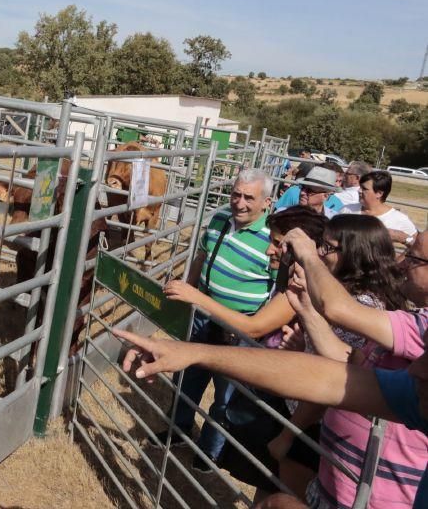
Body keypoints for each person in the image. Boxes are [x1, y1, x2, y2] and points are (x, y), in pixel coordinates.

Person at [113, 230, 428, 506]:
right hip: (331, 488)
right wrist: (193, 351)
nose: (400, 265)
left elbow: (334, 319)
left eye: (413, 259)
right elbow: (335, 374)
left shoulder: (375, 309)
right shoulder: (414, 352)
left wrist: (307, 254)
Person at [270, 216, 423, 506]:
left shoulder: (364, 306)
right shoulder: (389, 314)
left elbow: (337, 375)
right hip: (334, 459)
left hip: (323, 437)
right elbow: (348, 360)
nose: (401, 264)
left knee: (281, 498)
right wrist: (306, 310)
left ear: (355, 253)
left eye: (328, 247)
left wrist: (289, 433)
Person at [155, 169, 275, 472]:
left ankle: (210, 451)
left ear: (267, 202)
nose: (240, 202)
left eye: (249, 197)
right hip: (202, 318)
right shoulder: (220, 218)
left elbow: (277, 290)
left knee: (226, 395)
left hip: (239, 328)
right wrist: (188, 291)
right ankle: (179, 428)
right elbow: (202, 257)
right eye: (236, 194)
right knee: (186, 378)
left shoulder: (273, 239)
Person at [163, 206, 327, 343]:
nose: (268, 250)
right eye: (270, 241)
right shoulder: (291, 277)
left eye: (278, 244)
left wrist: (196, 297)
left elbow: (253, 328)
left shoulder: (301, 288)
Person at [342, 170, 418, 245]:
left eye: (364, 189)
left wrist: (403, 238)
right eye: (360, 187)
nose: (359, 191)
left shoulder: (399, 219)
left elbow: (419, 247)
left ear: (379, 193)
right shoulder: (347, 209)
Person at [274, 164, 343, 215]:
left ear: (326, 195)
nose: (302, 193)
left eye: (310, 190)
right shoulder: (283, 214)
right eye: (302, 187)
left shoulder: (333, 221)